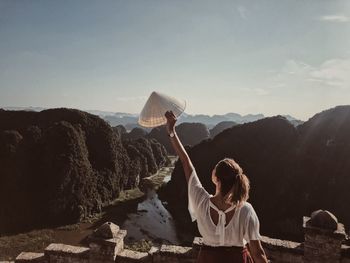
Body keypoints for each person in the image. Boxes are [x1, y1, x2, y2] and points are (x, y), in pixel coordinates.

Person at [165, 110, 268, 263]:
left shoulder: (202, 202)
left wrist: (172, 131)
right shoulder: (246, 210)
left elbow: (186, 163)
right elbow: (258, 254)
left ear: (216, 178)